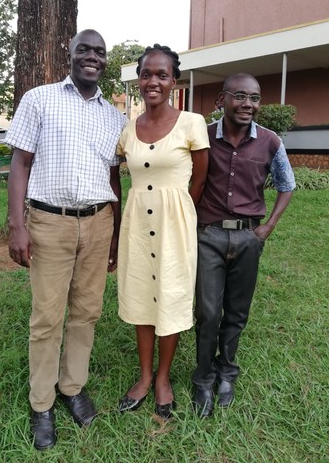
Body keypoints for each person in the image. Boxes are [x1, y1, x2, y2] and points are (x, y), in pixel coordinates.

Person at [6, 29, 127, 450]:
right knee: (47, 316)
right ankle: (42, 403)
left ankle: (72, 388)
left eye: (99, 52)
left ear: (105, 61)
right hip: (49, 222)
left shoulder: (115, 117)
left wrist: (115, 234)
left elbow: (114, 178)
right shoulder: (39, 99)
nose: (92, 56)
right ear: (70, 53)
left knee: (87, 311)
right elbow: (20, 163)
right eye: (84, 50)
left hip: (98, 223)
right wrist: (16, 224)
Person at [192, 73, 296, 418]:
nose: (248, 104)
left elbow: (287, 185)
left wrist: (266, 228)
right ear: (222, 100)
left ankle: (227, 372)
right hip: (208, 235)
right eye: (240, 96)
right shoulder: (202, 137)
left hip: (250, 238)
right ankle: (203, 377)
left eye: (254, 98)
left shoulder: (270, 142)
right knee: (208, 312)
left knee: (237, 312)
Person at [117, 44, 209, 420]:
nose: (152, 81)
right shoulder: (128, 129)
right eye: (146, 74)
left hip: (175, 225)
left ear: (175, 81)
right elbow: (118, 174)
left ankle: (163, 378)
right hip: (138, 224)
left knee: (169, 295)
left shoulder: (192, 122)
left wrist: (181, 210)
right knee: (141, 294)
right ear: (138, 80)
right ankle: (143, 376)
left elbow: (200, 177)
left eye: (161, 75)